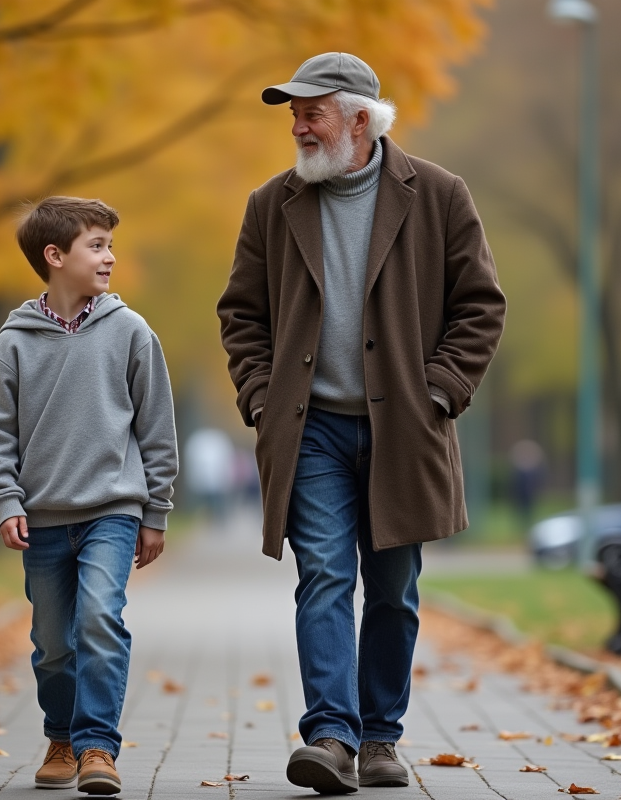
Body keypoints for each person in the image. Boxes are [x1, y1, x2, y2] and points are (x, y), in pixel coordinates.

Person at [217, 53, 506, 794]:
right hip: (310, 428)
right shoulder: (270, 203)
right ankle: (331, 737)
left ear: (359, 118)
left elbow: (481, 306)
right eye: (293, 113)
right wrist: (260, 397)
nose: (297, 125)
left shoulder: (439, 194)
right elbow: (241, 315)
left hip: (404, 430)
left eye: (310, 111)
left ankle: (380, 738)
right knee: (322, 577)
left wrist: (438, 393)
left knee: (393, 590)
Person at [0, 196, 178, 796]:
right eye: (97, 245)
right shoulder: (12, 344)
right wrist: (5, 501)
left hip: (113, 510)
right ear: (55, 256)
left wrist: (155, 510)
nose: (110, 257)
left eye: (111, 245)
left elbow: (156, 428)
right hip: (42, 518)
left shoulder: (131, 332)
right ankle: (60, 734)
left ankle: (96, 749)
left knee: (99, 620)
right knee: (53, 645)